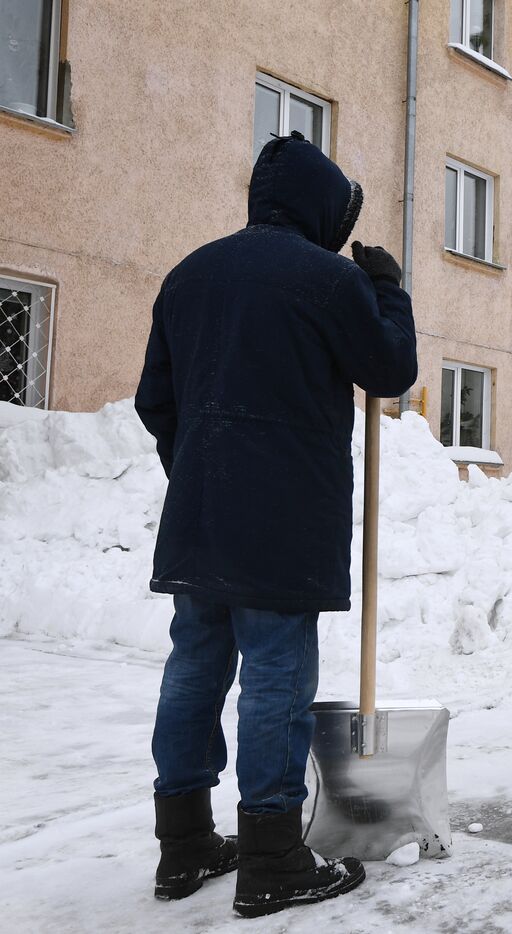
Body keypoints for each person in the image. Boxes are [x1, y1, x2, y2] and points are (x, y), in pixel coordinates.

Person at [134, 132, 417, 918]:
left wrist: (198, 469)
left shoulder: (188, 275)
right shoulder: (327, 280)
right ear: (320, 205)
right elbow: (390, 368)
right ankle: (272, 856)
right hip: (283, 523)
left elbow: (154, 403)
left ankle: (184, 845)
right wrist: (387, 288)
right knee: (275, 674)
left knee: (194, 665)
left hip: (198, 518)